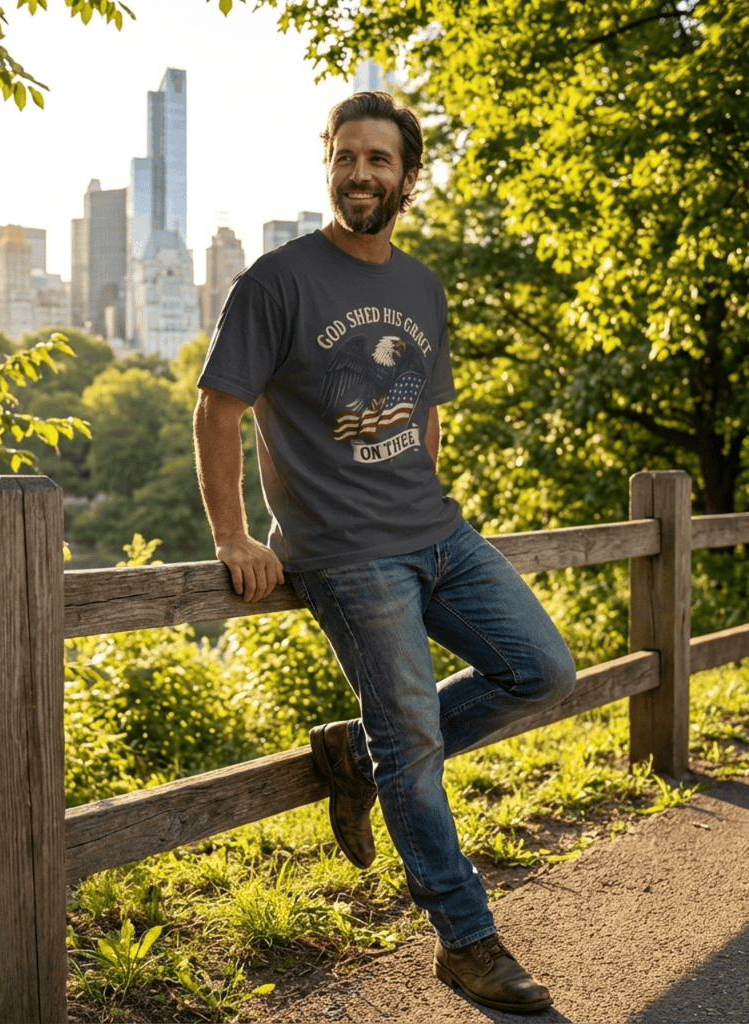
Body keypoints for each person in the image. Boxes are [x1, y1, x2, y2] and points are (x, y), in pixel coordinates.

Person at [192, 91, 576, 1015]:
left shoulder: (420, 285)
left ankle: (358, 760)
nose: (361, 173)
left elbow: (425, 407)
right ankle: (468, 943)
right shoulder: (276, 281)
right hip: (343, 555)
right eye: (346, 156)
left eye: (379, 160)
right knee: (413, 742)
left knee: (546, 672)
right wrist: (236, 537)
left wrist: (427, 499)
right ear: (328, 162)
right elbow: (217, 411)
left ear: (408, 176)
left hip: (438, 532)